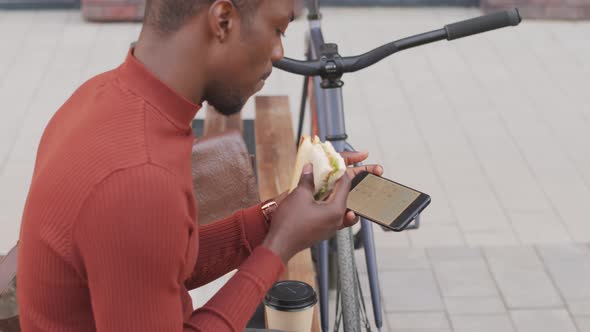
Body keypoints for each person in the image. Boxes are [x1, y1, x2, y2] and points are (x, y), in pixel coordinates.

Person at [16, 0, 384, 331]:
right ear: (223, 21)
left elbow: (156, 264)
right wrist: (279, 247)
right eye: (277, 30)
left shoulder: (101, 95)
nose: (278, 53)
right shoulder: (139, 176)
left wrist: (275, 217)